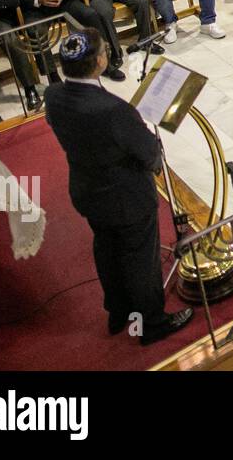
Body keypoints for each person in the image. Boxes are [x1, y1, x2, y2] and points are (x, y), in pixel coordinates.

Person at [44, 28, 193, 347]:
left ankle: (118, 310)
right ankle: (152, 322)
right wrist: (151, 146)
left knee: (107, 248)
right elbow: (150, 155)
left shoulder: (53, 95)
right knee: (140, 257)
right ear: (99, 61)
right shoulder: (111, 109)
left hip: (87, 189)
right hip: (126, 196)